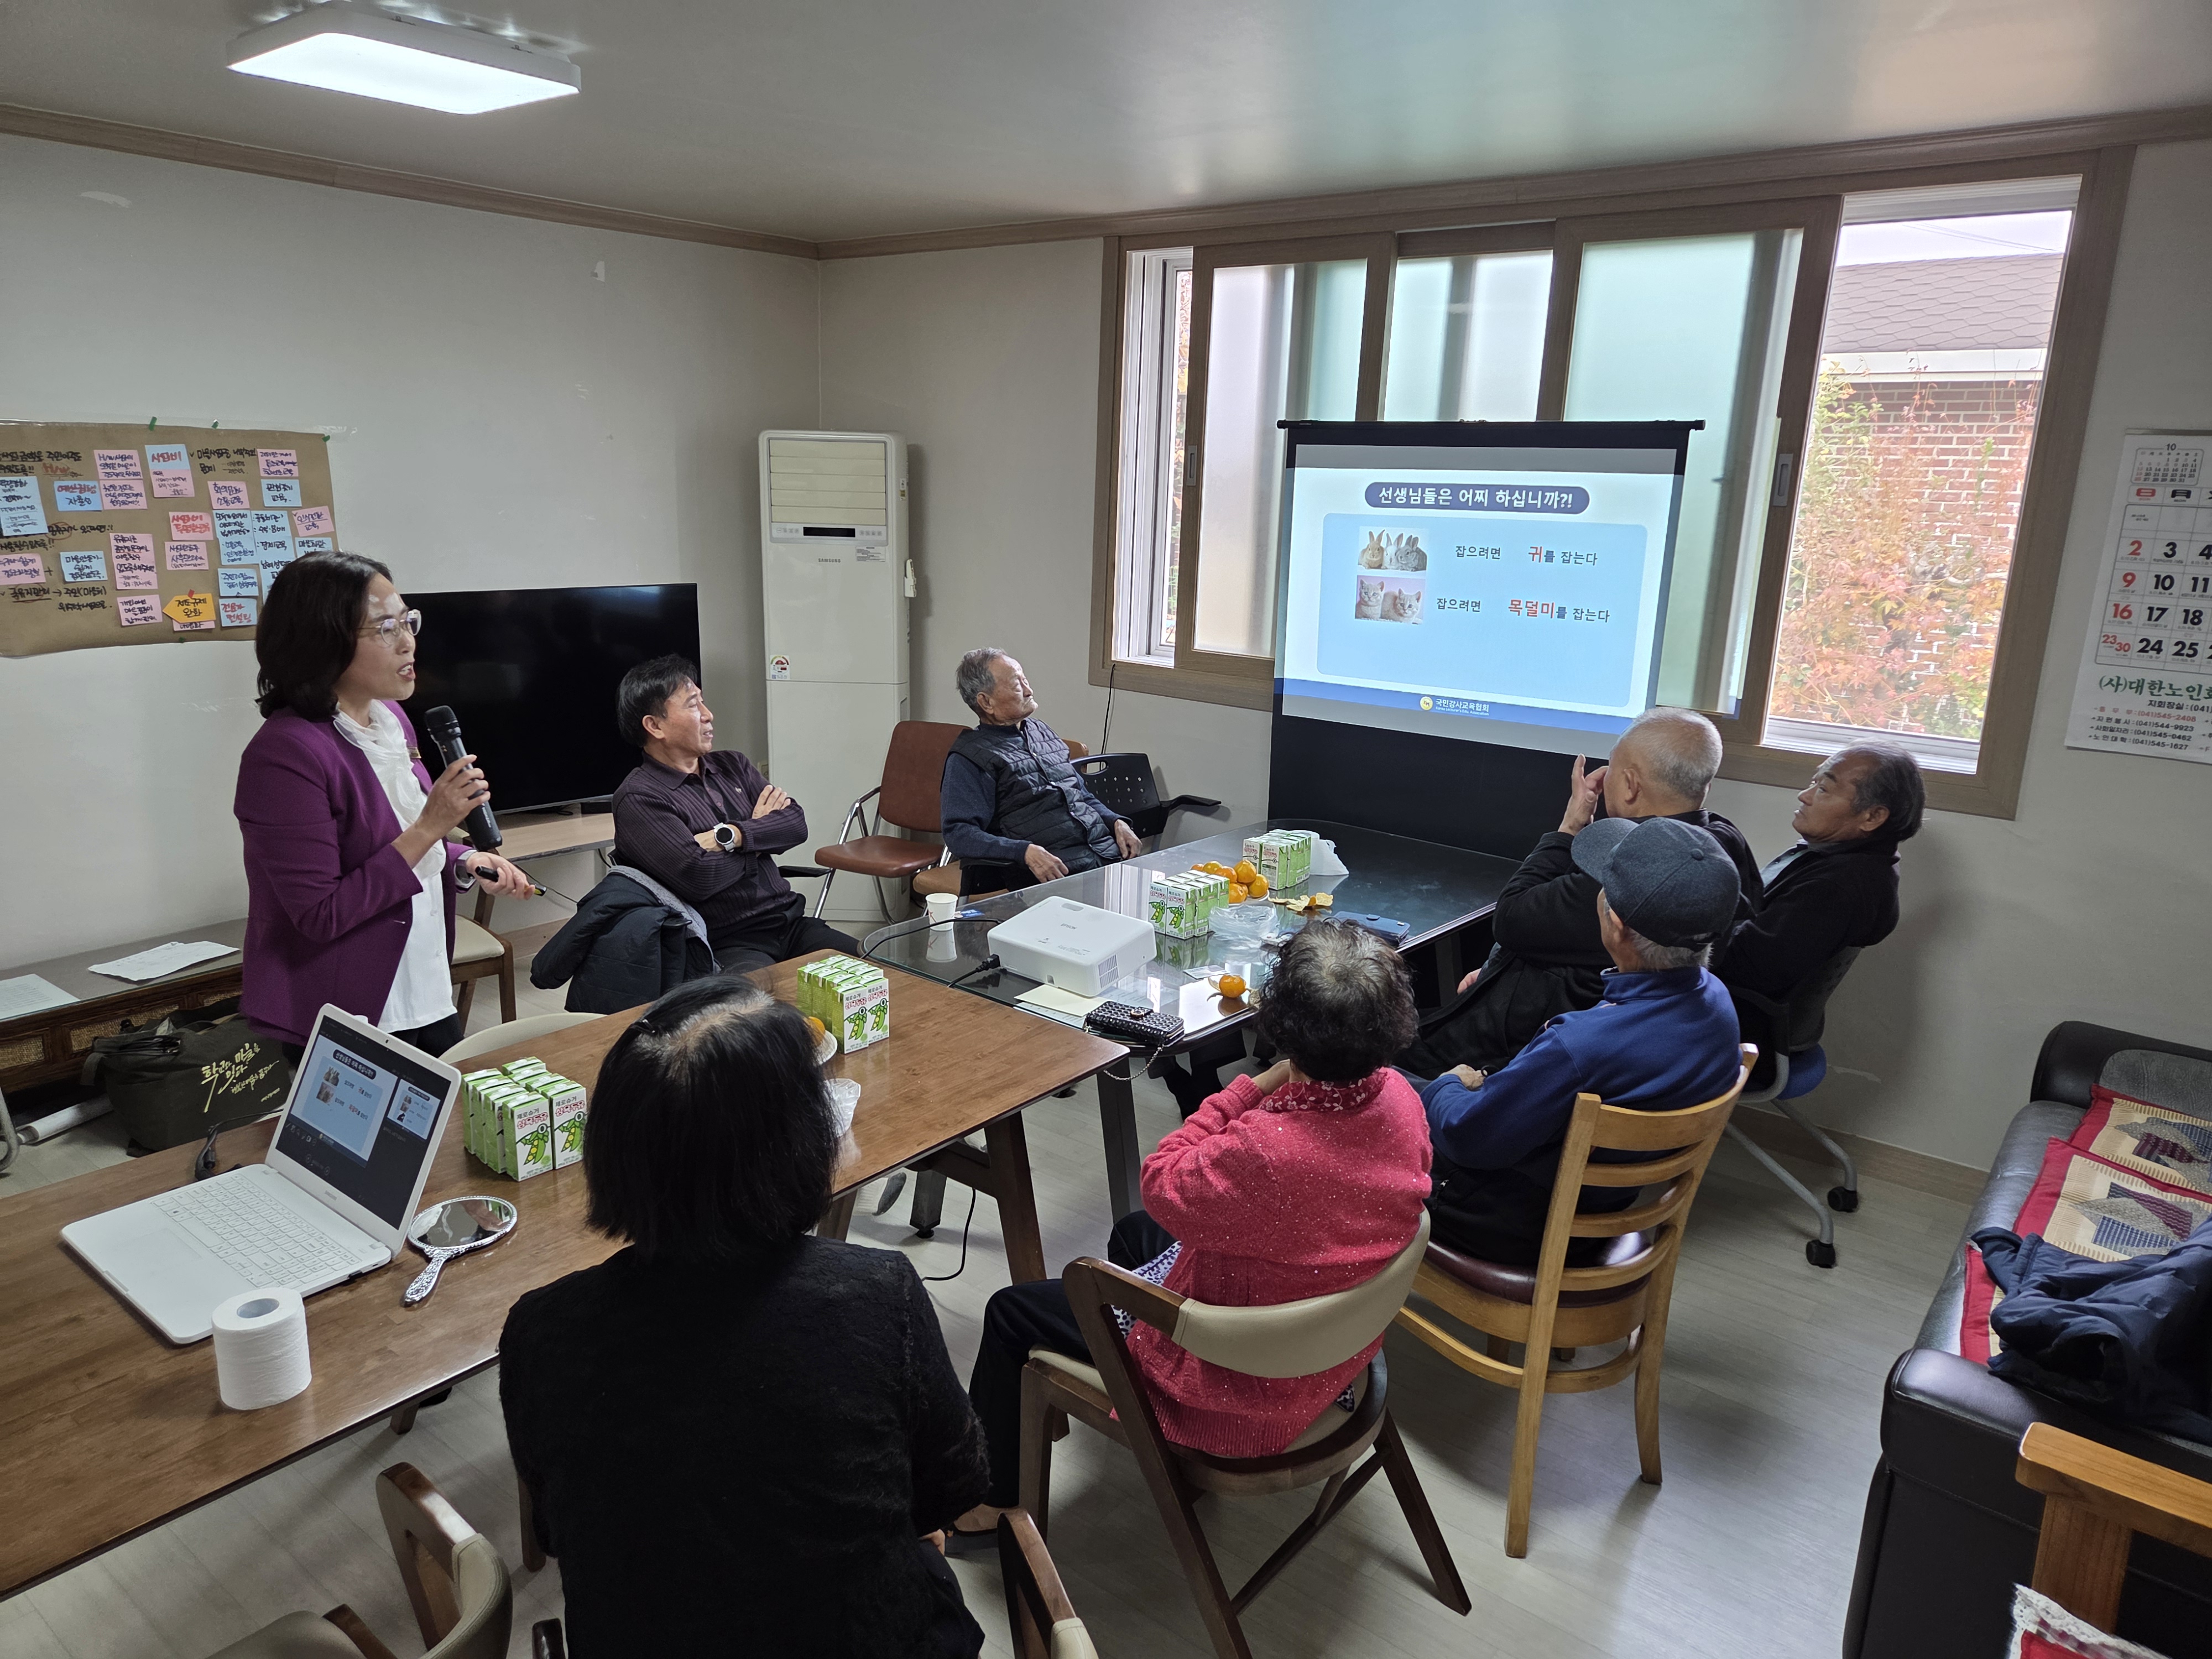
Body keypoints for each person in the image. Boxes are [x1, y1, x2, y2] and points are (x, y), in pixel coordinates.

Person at [499, 976, 990, 1659]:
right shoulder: (878, 1294)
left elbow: (557, 1532)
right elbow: (953, 1488)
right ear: (796, 1141)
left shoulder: (541, 1329)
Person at [953, 919, 1432, 1540]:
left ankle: (992, 1501)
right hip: (1336, 1342)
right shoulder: (1400, 1099)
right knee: (1134, 1234)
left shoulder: (1267, 1149)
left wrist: (1249, 1088)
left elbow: (1161, 1179)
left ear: (1283, 1025)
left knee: (1011, 1312)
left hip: (1242, 1389)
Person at [235, 553, 533, 1057]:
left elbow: (384, 840)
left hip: (424, 984)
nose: (408, 642)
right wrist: (433, 826)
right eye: (385, 628)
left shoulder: (392, 719)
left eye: (408, 621)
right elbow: (321, 915)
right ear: (323, 642)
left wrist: (465, 859)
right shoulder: (284, 755)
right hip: (350, 1003)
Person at [1415, 815, 1745, 1265]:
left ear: (1616, 926)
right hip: (1596, 1212)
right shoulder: (1718, 1003)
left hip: (1511, 1227)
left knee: (1371, 1091)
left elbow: (1466, 1135)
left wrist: (1448, 1084)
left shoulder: (1579, 1044)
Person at [1401, 707, 1761, 1077]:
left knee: (1381, 1047)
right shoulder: (1722, 848)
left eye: (1612, 768)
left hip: (1516, 1060)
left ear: (1631, 785)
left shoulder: (1636, 875)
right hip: (1614, 1049)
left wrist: (1569, 828)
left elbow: (1511, 918)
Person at [609, 655, 856, 973]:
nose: (708, 715)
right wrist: (760, 832)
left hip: (790, 923)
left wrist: (732, 836)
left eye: (703, 702)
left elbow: (796, 824)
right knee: (760, 1002)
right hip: (727, 942)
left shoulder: (733, 765)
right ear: (655, 726)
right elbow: (699, 878)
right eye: (693, 705)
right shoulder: (640, 798)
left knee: (881, 972)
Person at [1717, 743, 1923, 1062]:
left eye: (1824, 789)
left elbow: (1744, 968)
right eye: (1814, 783)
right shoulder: (1849, 861)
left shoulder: (1840, 886)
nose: (1805, 796)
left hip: (1741, 1034)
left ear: (1872, 816)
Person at [940, 648, 1139, 894]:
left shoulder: (1040, 732)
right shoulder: (970, 758)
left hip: (1105, 857)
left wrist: (1116, 822)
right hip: (1054, 875)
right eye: (1017, 685)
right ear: (986, 702)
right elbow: (959, 834)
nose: (1029, 690)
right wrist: (1023, 851)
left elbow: (1079, 794)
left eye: (1025, 680)